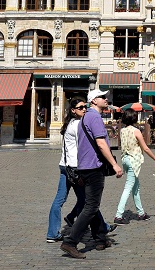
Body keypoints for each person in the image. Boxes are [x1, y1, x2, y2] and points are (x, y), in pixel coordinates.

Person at [60, 90, 123, 259]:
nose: (106, 99)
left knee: (91, 204)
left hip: (84, 167)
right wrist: (115, 164)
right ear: (94, 101)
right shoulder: (94, 117)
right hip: (93, 167)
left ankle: (100, 238)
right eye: (103, 97)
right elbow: (101, 144)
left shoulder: (85, 117)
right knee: (91, 207)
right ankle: (70, 242)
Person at [47, 97, 115, 243]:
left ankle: (53, 232)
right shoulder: (79, 125)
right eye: (81, 107)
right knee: (88, 202)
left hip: (65, 166)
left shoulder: (69, 124)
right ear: (73, 110)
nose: (84, 109)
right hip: (76, 168)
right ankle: (99, 228)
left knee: (64, 200)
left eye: (85, 107)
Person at [114, 109, 155, 224]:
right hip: (133, 160)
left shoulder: (122, 130)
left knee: (136, 188)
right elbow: (145, 148)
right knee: (128, 188)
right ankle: (118, 215)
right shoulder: (136, 131)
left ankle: (141, 213)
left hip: (125, 159)